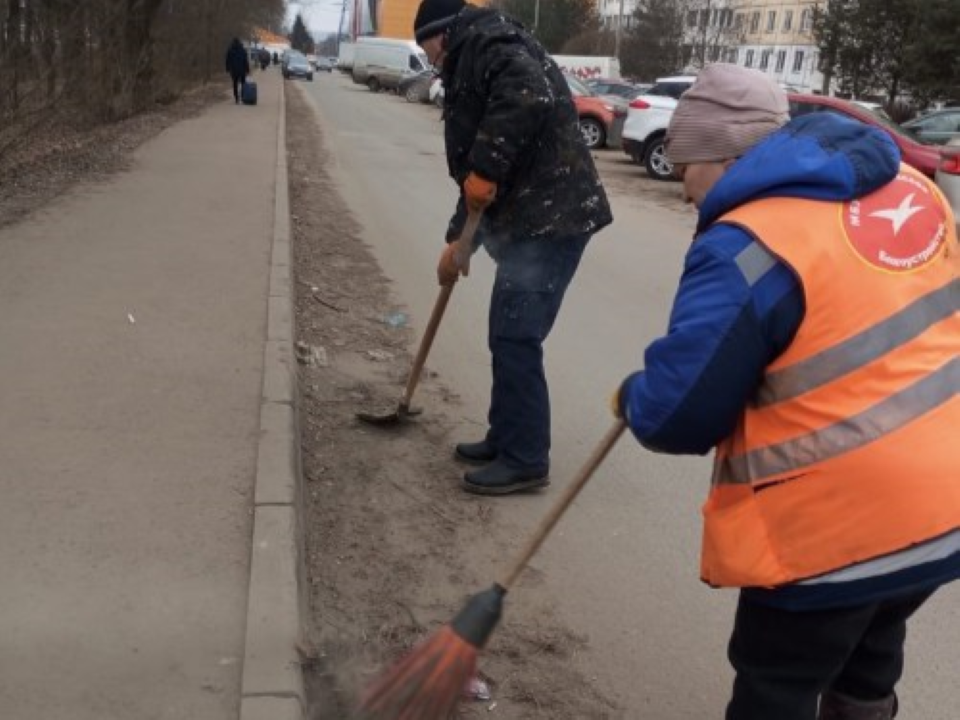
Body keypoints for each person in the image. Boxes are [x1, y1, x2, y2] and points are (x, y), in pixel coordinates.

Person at [613, 63, 960, 720]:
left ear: (723, 154)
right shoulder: (910, 186)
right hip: (944, 506)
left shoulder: (749, 243)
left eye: (686, 165)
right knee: (872, 640)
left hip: (834, 526)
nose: (685, 188)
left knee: (779, 682)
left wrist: (635, 397)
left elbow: (679, 414)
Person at [413, 0, 612, 496]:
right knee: (505, 332)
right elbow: (479, 184)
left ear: (442, 35)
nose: (433, 63)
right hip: (530, 218)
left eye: (429, 52)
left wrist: (483, 171)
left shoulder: (485, 41)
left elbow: (527, 97)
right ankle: (506, 438)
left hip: (554, 218)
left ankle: (526, 460)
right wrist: (458, 241)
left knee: (517, 336)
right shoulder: (475, 49)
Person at [225, 37, 250, 104]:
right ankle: (242, 96)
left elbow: (227, 60)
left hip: (234, 70)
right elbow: (245, 61)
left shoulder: (230, 50)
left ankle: (236, 97)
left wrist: (227, 68)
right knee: (243, 83)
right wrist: (247, 69)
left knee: (235, 83)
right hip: (242, 70)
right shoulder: (243, 50)